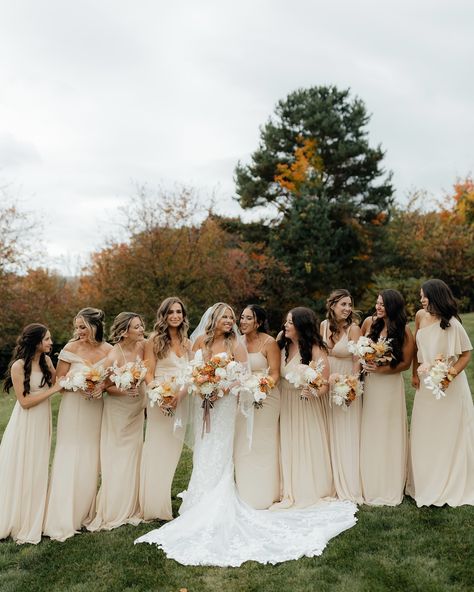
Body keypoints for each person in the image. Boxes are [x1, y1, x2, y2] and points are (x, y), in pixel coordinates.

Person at [135, 303, 356, 567]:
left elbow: (241, 376)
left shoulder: (235, 345)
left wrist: (221, 389)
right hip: (204, 403)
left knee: (222, 450)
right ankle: (199, 499)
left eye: (232, 317)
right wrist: (202, 388)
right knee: (205, 450)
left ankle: (221, 498)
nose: (231, 321)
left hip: (226, 406)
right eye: (226, 317)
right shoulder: (200, 343)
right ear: (214, 319)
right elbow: (191, 373)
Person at [43, 308, 112, 541]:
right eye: (77, 327)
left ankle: (85, 512)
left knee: (91, 455)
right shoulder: (70, 349)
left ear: (95, 326)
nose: (78, 331)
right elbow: (58, 382)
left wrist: (100, 387)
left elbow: (111, 379)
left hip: (96, 409)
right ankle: (64, 515)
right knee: (70, 454)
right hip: (73, 407)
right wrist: (78, 384)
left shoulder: (109, 350)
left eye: (83, 327)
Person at [408, 279, 473, 506]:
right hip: (426, 385)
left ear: (435, 296)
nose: (421, 300)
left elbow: (466, 354)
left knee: (448, 432)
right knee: (424, 430)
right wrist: (415, 373)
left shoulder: (452, 324)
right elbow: (417, 347)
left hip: (449, 385)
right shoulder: (419, 316)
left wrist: (449, 375)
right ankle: (425, 480)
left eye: (423, 296)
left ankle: (449, 480)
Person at [0, 324, 61, 544]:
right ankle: (19, 517)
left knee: (38, 466)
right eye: (47, 339)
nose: (50, 343)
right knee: (25, 466)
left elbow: (58, 382)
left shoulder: (45, 360)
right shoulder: (18, 366)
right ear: (35, 342)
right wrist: (52, 391)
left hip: (42, 420)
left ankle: (37, 512)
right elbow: (24, 402)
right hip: (26, 423)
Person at [88, 312, 146, 531]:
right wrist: (125, 390)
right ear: (125, 332)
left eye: (142, 326)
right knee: (119, 455)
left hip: (137, 410)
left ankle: (134, 504)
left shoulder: (143, 346)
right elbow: (104, 387)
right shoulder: (114, 355)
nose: (142, 329)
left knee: (134, 454)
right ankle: (115, 507)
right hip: (119, 411)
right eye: (137, 327)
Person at [273, 306, 334, 509]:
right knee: (288, 444)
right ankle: (288, 487)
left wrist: (313, 389)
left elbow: (325, 384)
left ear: (301, 326)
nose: (286, 325)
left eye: (290, 322)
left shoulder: (316, 348)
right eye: (287, 321)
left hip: (306, 404)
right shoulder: (281, 345)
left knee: (307, 443)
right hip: (286, 404)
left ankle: (310, 487)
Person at [359, 290, 414, 506]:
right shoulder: (368, 323)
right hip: (370, 385)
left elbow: (406, 364)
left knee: (388, 429)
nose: (378, 307)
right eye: (377, 303)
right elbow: (359, 350)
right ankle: (369, 479)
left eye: (382, 304)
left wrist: (381, 369)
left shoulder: (404, 331)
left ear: (392, 306)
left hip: (389, 385)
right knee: (371, 427)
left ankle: (390, 481)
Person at [139, 297, 191, 521]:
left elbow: (191, 373)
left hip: (181, 400)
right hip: (160, 400)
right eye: (171, 312)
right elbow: (148, 373)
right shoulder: (153, 341)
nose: (175, 316)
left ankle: (161, 500)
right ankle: (154, 507)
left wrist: (180, 395)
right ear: (164, 315)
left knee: (172, 453)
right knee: (157, 450)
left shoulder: (187, 342)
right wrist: (158, 393)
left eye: (179, 312)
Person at [234, 304, 281, 509]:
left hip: (267, 398)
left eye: (248, 318)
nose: (242, 321)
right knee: (244, 442)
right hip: (243, 399)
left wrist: (262, 387)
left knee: (263, 442)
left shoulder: (269, 343)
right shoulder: (236, 343)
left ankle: (266, 492)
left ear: (258, 322)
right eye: (242, 317)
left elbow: (275, 373)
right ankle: (246, 490)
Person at [321, 290, 363, 504]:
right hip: (328, 381)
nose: (347, 308)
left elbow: (357, 359)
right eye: (343, 304)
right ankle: (330, 481)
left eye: (349, 304)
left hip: (346, 381)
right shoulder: (323, 326)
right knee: (330, 429)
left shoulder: (354, 329)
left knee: (346, 428)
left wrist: (351, 386)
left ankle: (349, 481)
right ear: (333, 305)